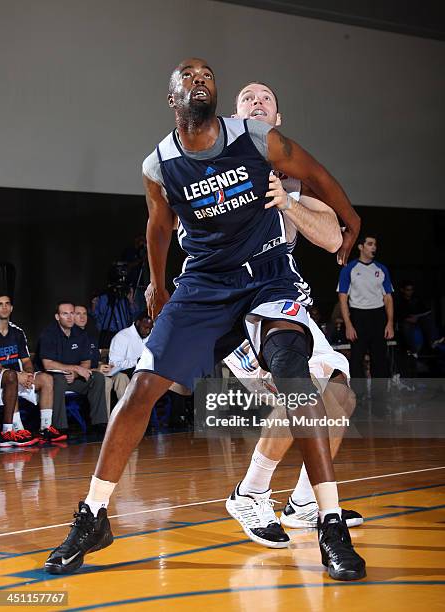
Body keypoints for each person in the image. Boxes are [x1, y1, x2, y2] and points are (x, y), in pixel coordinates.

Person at [44, 58, 364, 581]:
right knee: (143, 386)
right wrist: (158, 283)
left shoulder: (258, 139)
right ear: (172, 98)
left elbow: (318, 174)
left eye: (208, 75)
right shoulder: (160, 165)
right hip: (207, 281)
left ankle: (329, 522)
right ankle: (92, 516)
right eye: (188, 75)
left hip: (266, 275)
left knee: (298, 376)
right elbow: (158, 231)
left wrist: (352, 219)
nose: (200, 79)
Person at [222, 82, 362, 542]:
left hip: (285, 297)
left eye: (266, 99)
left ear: (277, 119)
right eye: (248, 98)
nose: (257, 102)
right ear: (235, 115)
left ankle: (303, 502)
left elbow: (333, 237)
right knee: (298, 390)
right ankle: (250, 492)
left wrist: (289, 202)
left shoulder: (296, 174)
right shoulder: (214, 166)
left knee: (339, 395)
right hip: (237, 300)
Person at [38, 302, 108, 433]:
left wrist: (76, 374)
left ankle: (99, 423)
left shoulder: (80, 334)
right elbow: (47, 364)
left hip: (74, 378)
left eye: (72, 313)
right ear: (57, 317)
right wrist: (75, 368)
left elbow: (86, 362)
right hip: (54, 377)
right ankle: (59, 427)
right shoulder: (48, 334)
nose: (70, 317)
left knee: (97, 377)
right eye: (65, 314)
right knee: (58, 380)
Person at [0, 294, 60, 446]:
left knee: (46, 378)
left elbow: (26, 360)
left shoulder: (17, 332)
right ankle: (16, 429)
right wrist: (18, 376)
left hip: (16, 377)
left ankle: (45, 428)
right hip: (3, 379)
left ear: (12, 308)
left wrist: (29, 374)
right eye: (0, 304)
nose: (4, 307)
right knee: (11, 376)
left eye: (7, 304)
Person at [338, 234, 394, 395]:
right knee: (356, 361)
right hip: (358, 317)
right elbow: (342, 298)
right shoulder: (349, 268)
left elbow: (388, 298)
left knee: (380, 362)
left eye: (375, 244)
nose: (373, 247)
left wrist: (389, 322)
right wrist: (348, 325)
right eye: (370, 244)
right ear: (361, 247)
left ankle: (380, 404)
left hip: (378, 316)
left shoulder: (381, 269)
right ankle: (359, 401)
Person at [74, 305, 130, 418]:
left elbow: (96, 360)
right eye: (78, 314)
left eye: (84, 313)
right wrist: (96, 369)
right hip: (83, 376)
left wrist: (105, 366)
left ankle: (125, 417)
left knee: (122, 377)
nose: (82, 317)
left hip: (97, 371)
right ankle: (106, 421)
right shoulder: (70, 337)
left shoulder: (91, 337)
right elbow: (74, 365)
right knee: (105, 381)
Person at [108, 311, 153, 377]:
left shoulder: (150, 337)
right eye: (145, 328)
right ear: (138, 323)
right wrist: (136, 362)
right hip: (125, 374)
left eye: (150, 328)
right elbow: (114, 364)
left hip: (145, 373)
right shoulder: (122, 337)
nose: (148, 331)